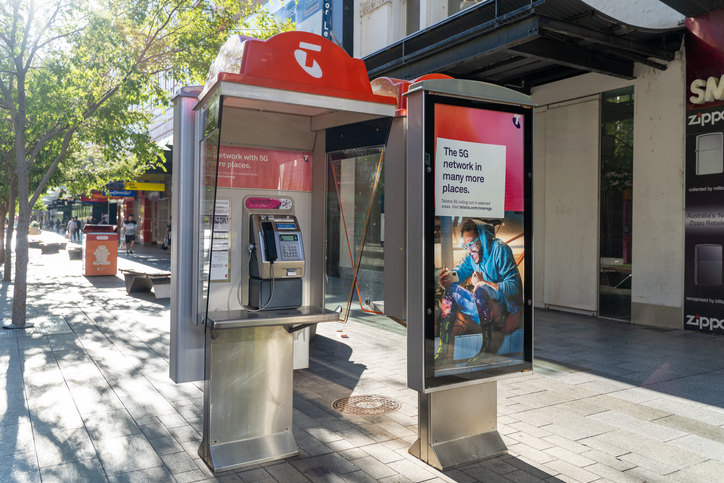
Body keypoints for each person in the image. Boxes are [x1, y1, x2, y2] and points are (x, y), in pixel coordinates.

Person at [437, 218, 523, 366]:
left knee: (480, 288)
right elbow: (461, 271)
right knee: (451, 289)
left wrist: (485, 283)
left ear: (482, 239)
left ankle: (486, 352)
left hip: (508, 316)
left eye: (472, 244)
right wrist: (448, 277)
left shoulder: (500, 249)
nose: (469, 249)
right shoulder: (472, 255)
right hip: (486, 314)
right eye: (466, 245)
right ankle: (443, 353)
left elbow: (514, 287)